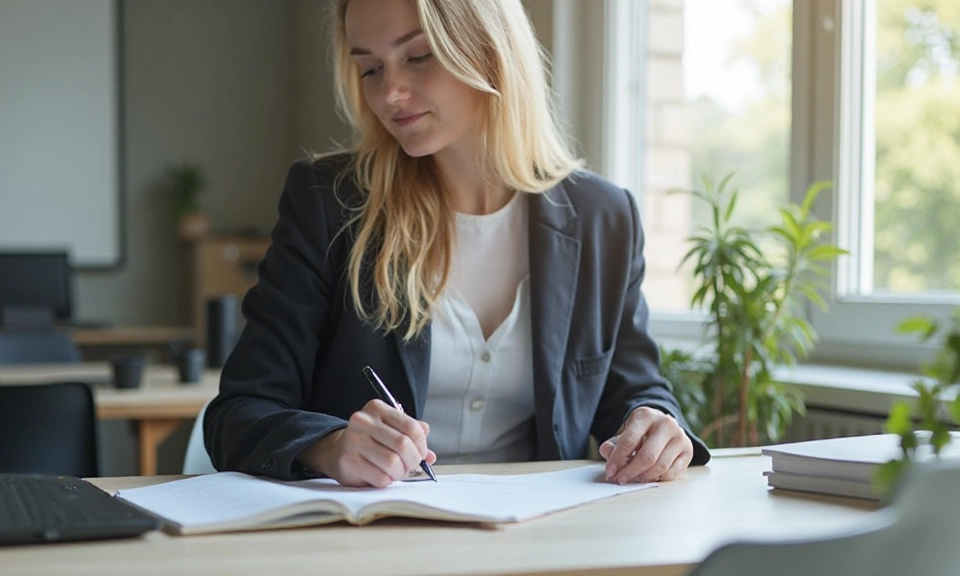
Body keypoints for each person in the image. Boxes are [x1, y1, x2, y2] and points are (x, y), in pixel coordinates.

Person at [204, 0, 711, 488]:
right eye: (370, 69)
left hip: (539, 539)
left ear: (490, 48)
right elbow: (239, 411)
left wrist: (656, 426)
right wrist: (329, 445)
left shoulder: (603, 218)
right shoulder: (330, 204)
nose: (390, 93)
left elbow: (634, 391)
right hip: (368, 541)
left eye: (418, 56)